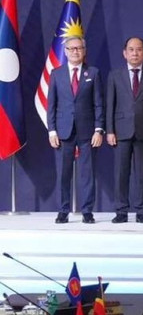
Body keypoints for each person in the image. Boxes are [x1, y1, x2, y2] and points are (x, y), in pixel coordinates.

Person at [47, 36, 104, 224]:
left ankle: (87, 211)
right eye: (71, 49)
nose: (75, 51)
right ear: (65, 52)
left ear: (84, 50)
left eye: (78, 48)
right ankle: (63, 210)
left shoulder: (93, 73)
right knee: (63, 173)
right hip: (63, 132)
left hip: (88, 131)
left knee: (87, 173)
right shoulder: (56, 73)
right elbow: (51, 105)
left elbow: (98, 104)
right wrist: (52, 131)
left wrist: (99, 129)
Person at [106, 37, 143, 224]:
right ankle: (121, 211)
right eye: (131, 50)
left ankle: (141, 212)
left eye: (138, 50)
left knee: (142, 174)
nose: (135, 53)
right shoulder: (115, 75)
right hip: (121, 132)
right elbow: (110, 106)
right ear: (124, 53)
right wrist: (110, 131)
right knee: (121, 174)